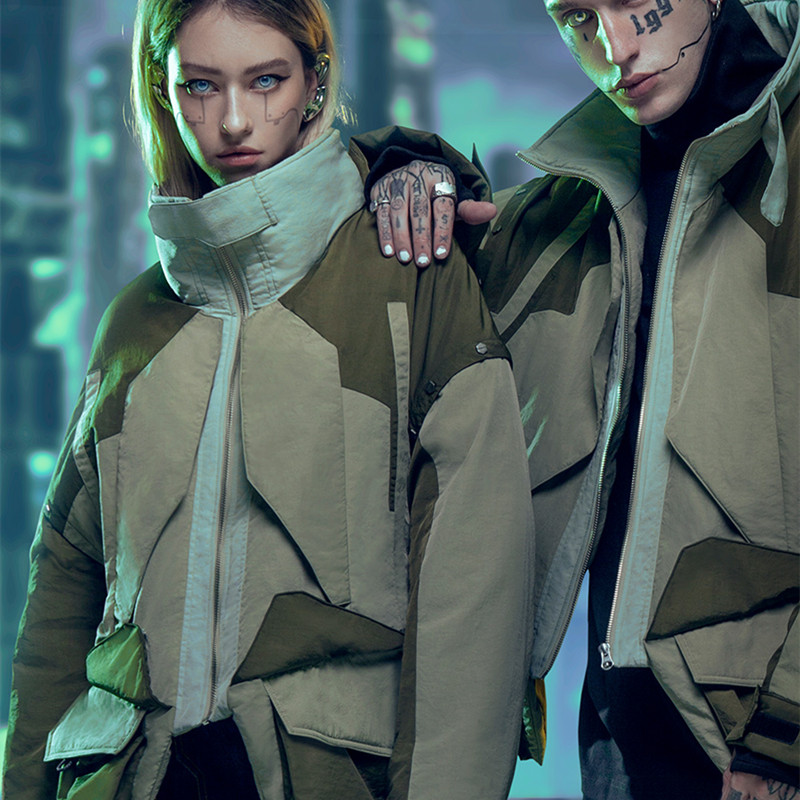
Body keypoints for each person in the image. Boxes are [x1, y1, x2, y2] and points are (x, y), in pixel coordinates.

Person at [1, 1, 535, 798]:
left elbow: (476, 583)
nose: (233, 121)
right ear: (162, 90)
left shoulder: (412, 276)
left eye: (266, 81)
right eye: (201, 86)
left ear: (315, 83)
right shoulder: (133, 323)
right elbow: (63, 590)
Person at [357, 0, 799, 797]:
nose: (615, 47)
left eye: (632, 3)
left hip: (765, 744)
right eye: (578, 18)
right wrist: (405, 174)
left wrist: (785, 734)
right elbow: (411, 298)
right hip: (623, 743)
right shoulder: (579, 209)